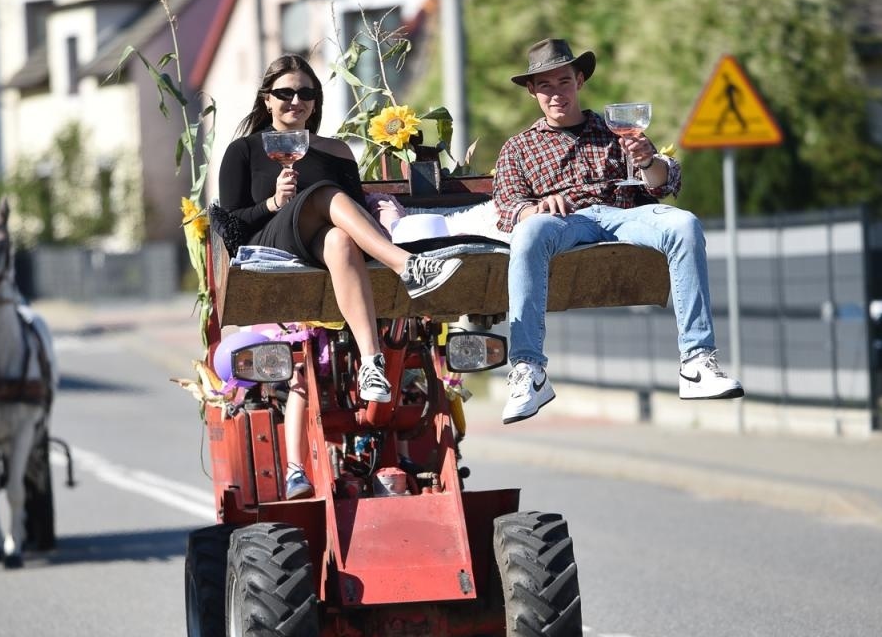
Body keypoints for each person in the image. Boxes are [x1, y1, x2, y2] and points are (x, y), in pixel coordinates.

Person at [493, 38, 743, 424]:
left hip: (622, 214)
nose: (556, 93)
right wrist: (537, 209)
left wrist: (648, 161)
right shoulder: (518, 147)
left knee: (685, 223)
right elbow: (508, 207)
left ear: (579, 81)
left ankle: (696, 362)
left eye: (563, 82)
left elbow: (664, 183)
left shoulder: (614, 130)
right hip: (564, 223)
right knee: (527, 232)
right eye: (545, 85)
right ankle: (529, 370)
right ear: (532, 91)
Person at [217, 54, 464, 405]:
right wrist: (273, 203)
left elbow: (354, 212)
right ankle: (407, 265)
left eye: (306, 93)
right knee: (324, 193)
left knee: (340, 239)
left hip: (320, 243)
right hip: (271, 238)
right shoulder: (244, 150)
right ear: (267, 98)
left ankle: (371, 362)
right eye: (285, 93)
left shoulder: (335, 150)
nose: (296, 101)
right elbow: (230, 224)